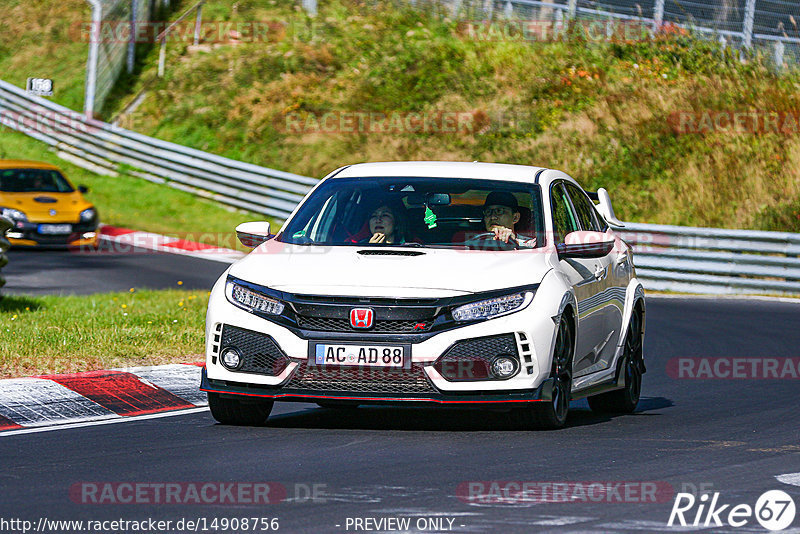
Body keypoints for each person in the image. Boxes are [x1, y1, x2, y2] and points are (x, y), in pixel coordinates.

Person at [471, 191, 536, 248]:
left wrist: (514, 242)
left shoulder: (529, 243)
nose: (492, 217)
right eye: (488, 212)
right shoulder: (473, 241)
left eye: (499, 211)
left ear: (515, 218)